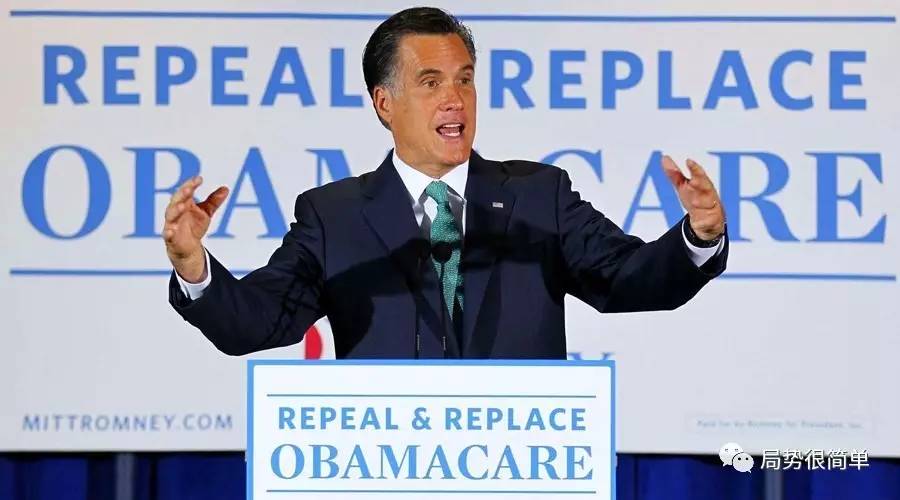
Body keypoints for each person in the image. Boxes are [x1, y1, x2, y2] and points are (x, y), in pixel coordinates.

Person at [164, 7, 728, 358]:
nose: (454, 99)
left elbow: (630, 279)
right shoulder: (333, 216)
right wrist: (193, 265)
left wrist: (698, 236)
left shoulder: (539, 197)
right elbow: (257, 323)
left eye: (464, 80)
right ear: (385, 103)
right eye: (430, 82)